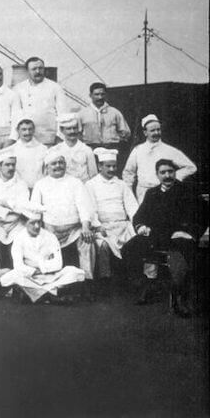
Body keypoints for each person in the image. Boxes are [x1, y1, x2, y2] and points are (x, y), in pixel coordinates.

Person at [121, 159, 206, 315]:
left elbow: (204, 213)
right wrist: (141, 227)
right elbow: (139, 216)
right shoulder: (152, 193)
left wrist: (191, 233)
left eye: (170, 171)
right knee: (128, 249)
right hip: (156, 236)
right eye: (163, 172)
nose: (167, 175)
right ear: (157, 175)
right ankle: (147, 285)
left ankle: (181, 299)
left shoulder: (188, 190)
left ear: (175, 172)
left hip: (179, 236)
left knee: (180, 258)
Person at [30, 151, 96, 297]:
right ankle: (50, 285)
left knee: (87, 241)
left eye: (61, 162)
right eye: (54, 163)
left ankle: (87, 282)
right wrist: (36, 230)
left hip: (74, 231)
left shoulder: (76, 183)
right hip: (50, 231)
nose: (58, 166)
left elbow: (84, 207)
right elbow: (35, 210)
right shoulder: (40, 184)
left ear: (66, 165)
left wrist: (85, 227)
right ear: (47, 167)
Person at [0, 205, 86, 304]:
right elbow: (18, 266)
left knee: (76, 272)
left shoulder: (50, 237)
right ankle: (51, 295)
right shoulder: (19, 238)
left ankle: (36, 294)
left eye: (39, 222)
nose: (37, 226)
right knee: (10, 277)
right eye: (32, 223)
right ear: (25, 223)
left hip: (52, 277)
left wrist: (33, 264)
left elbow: (58, 264)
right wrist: (42, 266)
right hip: (30, 277)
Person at [86, 148, 138, 282]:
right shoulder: (91, 185)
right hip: (103, 227)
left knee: (135, 242)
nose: (112, 169)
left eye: (114, 166)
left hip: (122, 226)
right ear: (100, 167)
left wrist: (137, 223)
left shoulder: (122, 184)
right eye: (108, 166)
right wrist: (97, 225)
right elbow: (90, 209)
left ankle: (130, 278)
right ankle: (105, 279)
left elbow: (132, 206)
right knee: (103, 245)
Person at [122, 114, 197, 203]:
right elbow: (128, 173)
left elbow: (191, 167)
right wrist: (129, 196)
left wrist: (172, 177)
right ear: (145, 132)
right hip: (143, 193)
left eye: (158, 129)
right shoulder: (138, 150)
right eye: (152, 130)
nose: (156, 133)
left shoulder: (169, 150)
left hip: (164, 192)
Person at [0, 150, 30, 268]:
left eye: (13, 165)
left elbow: (23, 206)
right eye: (7, 165)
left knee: (18, 245)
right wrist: (11, 209)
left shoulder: (21, 184)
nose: (11, 168)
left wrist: (5, 203)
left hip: (16, 224)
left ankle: (16, 275)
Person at [12, 57, 67, 145]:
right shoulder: (18, 89)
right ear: (27, 71)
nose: (38, 71)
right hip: (26, 139)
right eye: (34, 69)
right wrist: (14, 138)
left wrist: (60, 137)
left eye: (40, 68)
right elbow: (15, 115)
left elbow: (63, 114)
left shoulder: (55, 87)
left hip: (49, 139)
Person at [77, 82, 131, 157]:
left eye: (102, 94)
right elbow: (77, 134)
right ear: (90, 95)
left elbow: (126, 132)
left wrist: (113, 140)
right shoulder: (82, 114)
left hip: (111, 149)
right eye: (96, 94)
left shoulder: (115, 112)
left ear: (106, 95)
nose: (100, 97)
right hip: (90, 149)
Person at [50, 113, 97, 182]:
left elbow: (93, 175)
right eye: (68, 129)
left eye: (74, 128)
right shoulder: (55, 150)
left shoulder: (86, 150)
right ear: (62, 130)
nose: (72, 131)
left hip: (82, 186)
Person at [9, 115, 48, 189]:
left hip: (38, 188)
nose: (27, 132)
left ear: (34, 130)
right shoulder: (12, 150)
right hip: (19, 189)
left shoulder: (43, 149)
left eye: (30, 129)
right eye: (24, 129)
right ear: (18, 131)